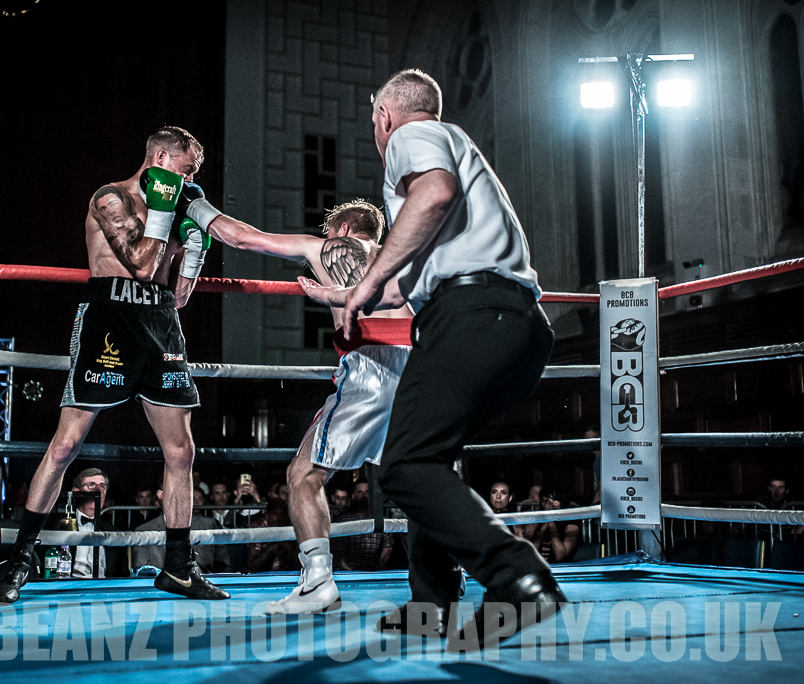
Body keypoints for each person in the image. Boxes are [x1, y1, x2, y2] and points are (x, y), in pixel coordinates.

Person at [299, 69, 565, 643]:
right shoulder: (452, 152)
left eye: (374, 119)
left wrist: (365, 285)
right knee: (426, 455)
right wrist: (351, 292)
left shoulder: (411, 138)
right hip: (512, 324)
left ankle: (519, 577)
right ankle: (431, 606)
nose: (376, 130)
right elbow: (406, 285)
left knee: (405, 465)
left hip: (474, 317)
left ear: (384, 114)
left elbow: (435, 194)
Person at [0, 126, 228, 603]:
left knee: (182, 451)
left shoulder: (178, 205)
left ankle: (179, 567)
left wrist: (195, 250)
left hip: (159, 321)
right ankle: (20, 559)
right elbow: (140, 265)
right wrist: (165, 216)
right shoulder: (111, 197)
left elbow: (177, 296)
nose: (190, 179)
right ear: (161, 156)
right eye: (186, 169)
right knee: (66, 445)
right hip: (110, 318)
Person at [204, 198, 412, 613]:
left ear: (344, 228)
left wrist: (193, 206)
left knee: (303, 474)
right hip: (419, 367)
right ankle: (447, 569)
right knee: (417, 477)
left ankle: (318, 582)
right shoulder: (402, 258)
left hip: (372, 363)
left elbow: (242, 237)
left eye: (330, 230)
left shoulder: (331, 248)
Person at [132, 482, 233, 574]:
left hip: (205, 587)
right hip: (164, 591)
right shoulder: (144, 530)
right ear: (160, 496)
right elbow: (143, 573)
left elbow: (224, 567)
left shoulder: (209, 525)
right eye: (171, 493)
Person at [68, 468, 122, 578]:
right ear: (76, 492)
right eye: (91, 485)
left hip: (103, 590)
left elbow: (122, 574)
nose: (98, 490)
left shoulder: (114, 532)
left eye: (102, 486)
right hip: (67, 589)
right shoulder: (58, 525)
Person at [331, 480, 395, 571]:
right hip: (346, 573)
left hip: (372, 572)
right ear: (353, 496)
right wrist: (351, 572)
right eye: (359, 492)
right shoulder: (343, 520)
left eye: (367, 492)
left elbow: (388, 546)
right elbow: (337, 552)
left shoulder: (381, 520)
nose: (363, 495)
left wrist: (379, 565)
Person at [527, 487, 580, 564]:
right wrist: (543, 528)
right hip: (538, 568)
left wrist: (551, 521)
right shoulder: (534, 523)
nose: (549, 504)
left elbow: (560, 556)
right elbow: (529, 555)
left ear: (562, 501)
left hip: (561, 569)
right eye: (545, 500)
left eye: (554, 500)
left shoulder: (571, 527)